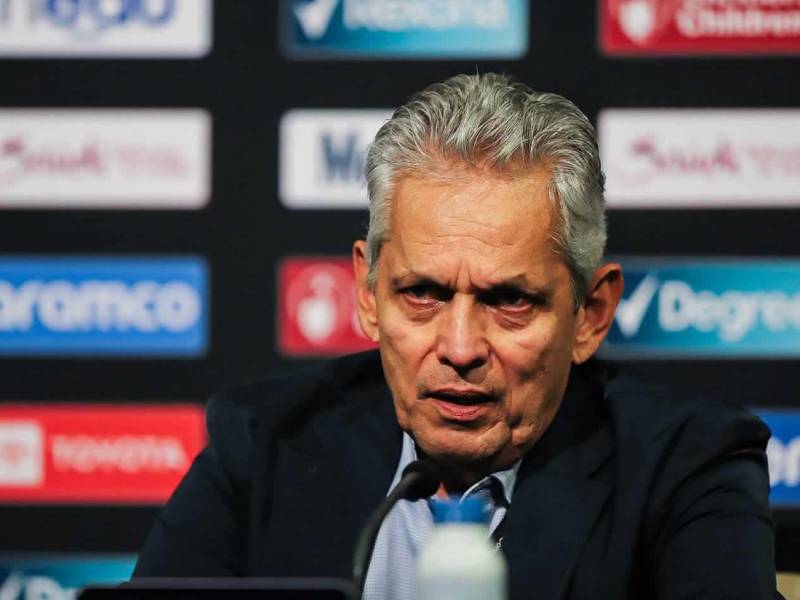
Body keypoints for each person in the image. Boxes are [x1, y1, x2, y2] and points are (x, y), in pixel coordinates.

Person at [133, 73, 779, 599]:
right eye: (422, 294)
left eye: (509, 301)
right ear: (368, 293)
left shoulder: (686, 465)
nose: (461, 348)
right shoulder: (263, 442)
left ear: (591, 313)